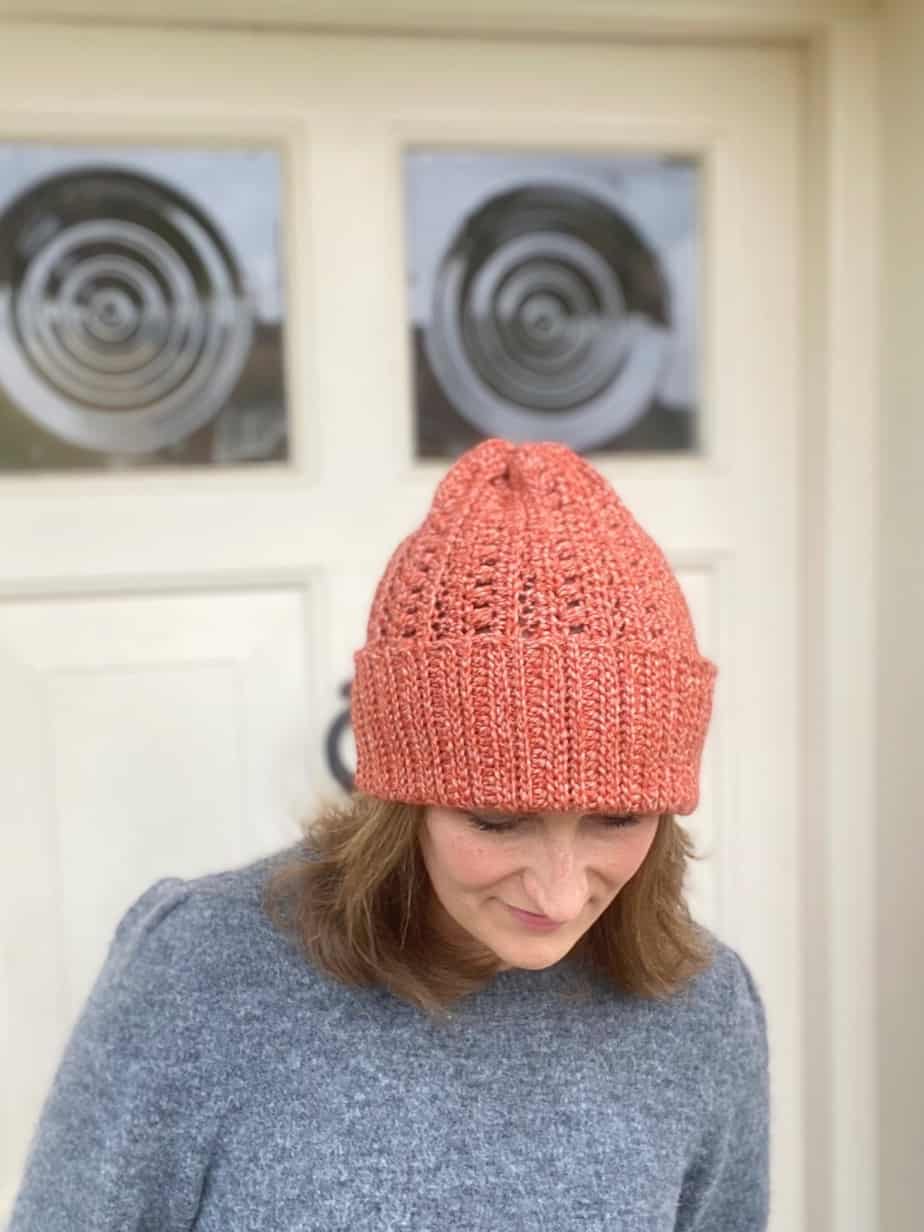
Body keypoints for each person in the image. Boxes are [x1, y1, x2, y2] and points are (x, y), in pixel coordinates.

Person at [8, 438, 769, 1231]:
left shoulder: (702, 1013)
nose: (562, 890)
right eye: (499, 820)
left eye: (617, 819)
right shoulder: (200, 975)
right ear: (404, 803)